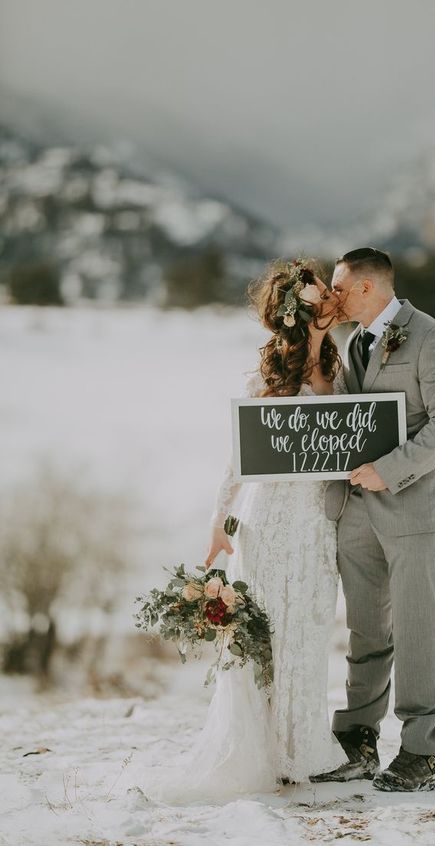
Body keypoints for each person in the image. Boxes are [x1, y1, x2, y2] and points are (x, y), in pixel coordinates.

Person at [135, 258, 349, 804]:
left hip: (317, 521)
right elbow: (238, 459)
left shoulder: (344, 367)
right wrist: (218, 520)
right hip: (269, 519)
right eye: (321, 291)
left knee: (308, 630)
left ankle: (301, 751)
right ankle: (259, 755)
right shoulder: (268, 377)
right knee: (266, 637)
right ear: (301, 310)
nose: (331, 297)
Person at [313, 247, 435, 792]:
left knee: (418, 630)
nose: (332, 295)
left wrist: (389, 469)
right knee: (365, 630)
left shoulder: (433, 337)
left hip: (413, 506)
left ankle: (420, 754)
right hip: (354, 510)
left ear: (365, 288)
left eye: (338, 286)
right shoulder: (349, 342)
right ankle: (357, 737)